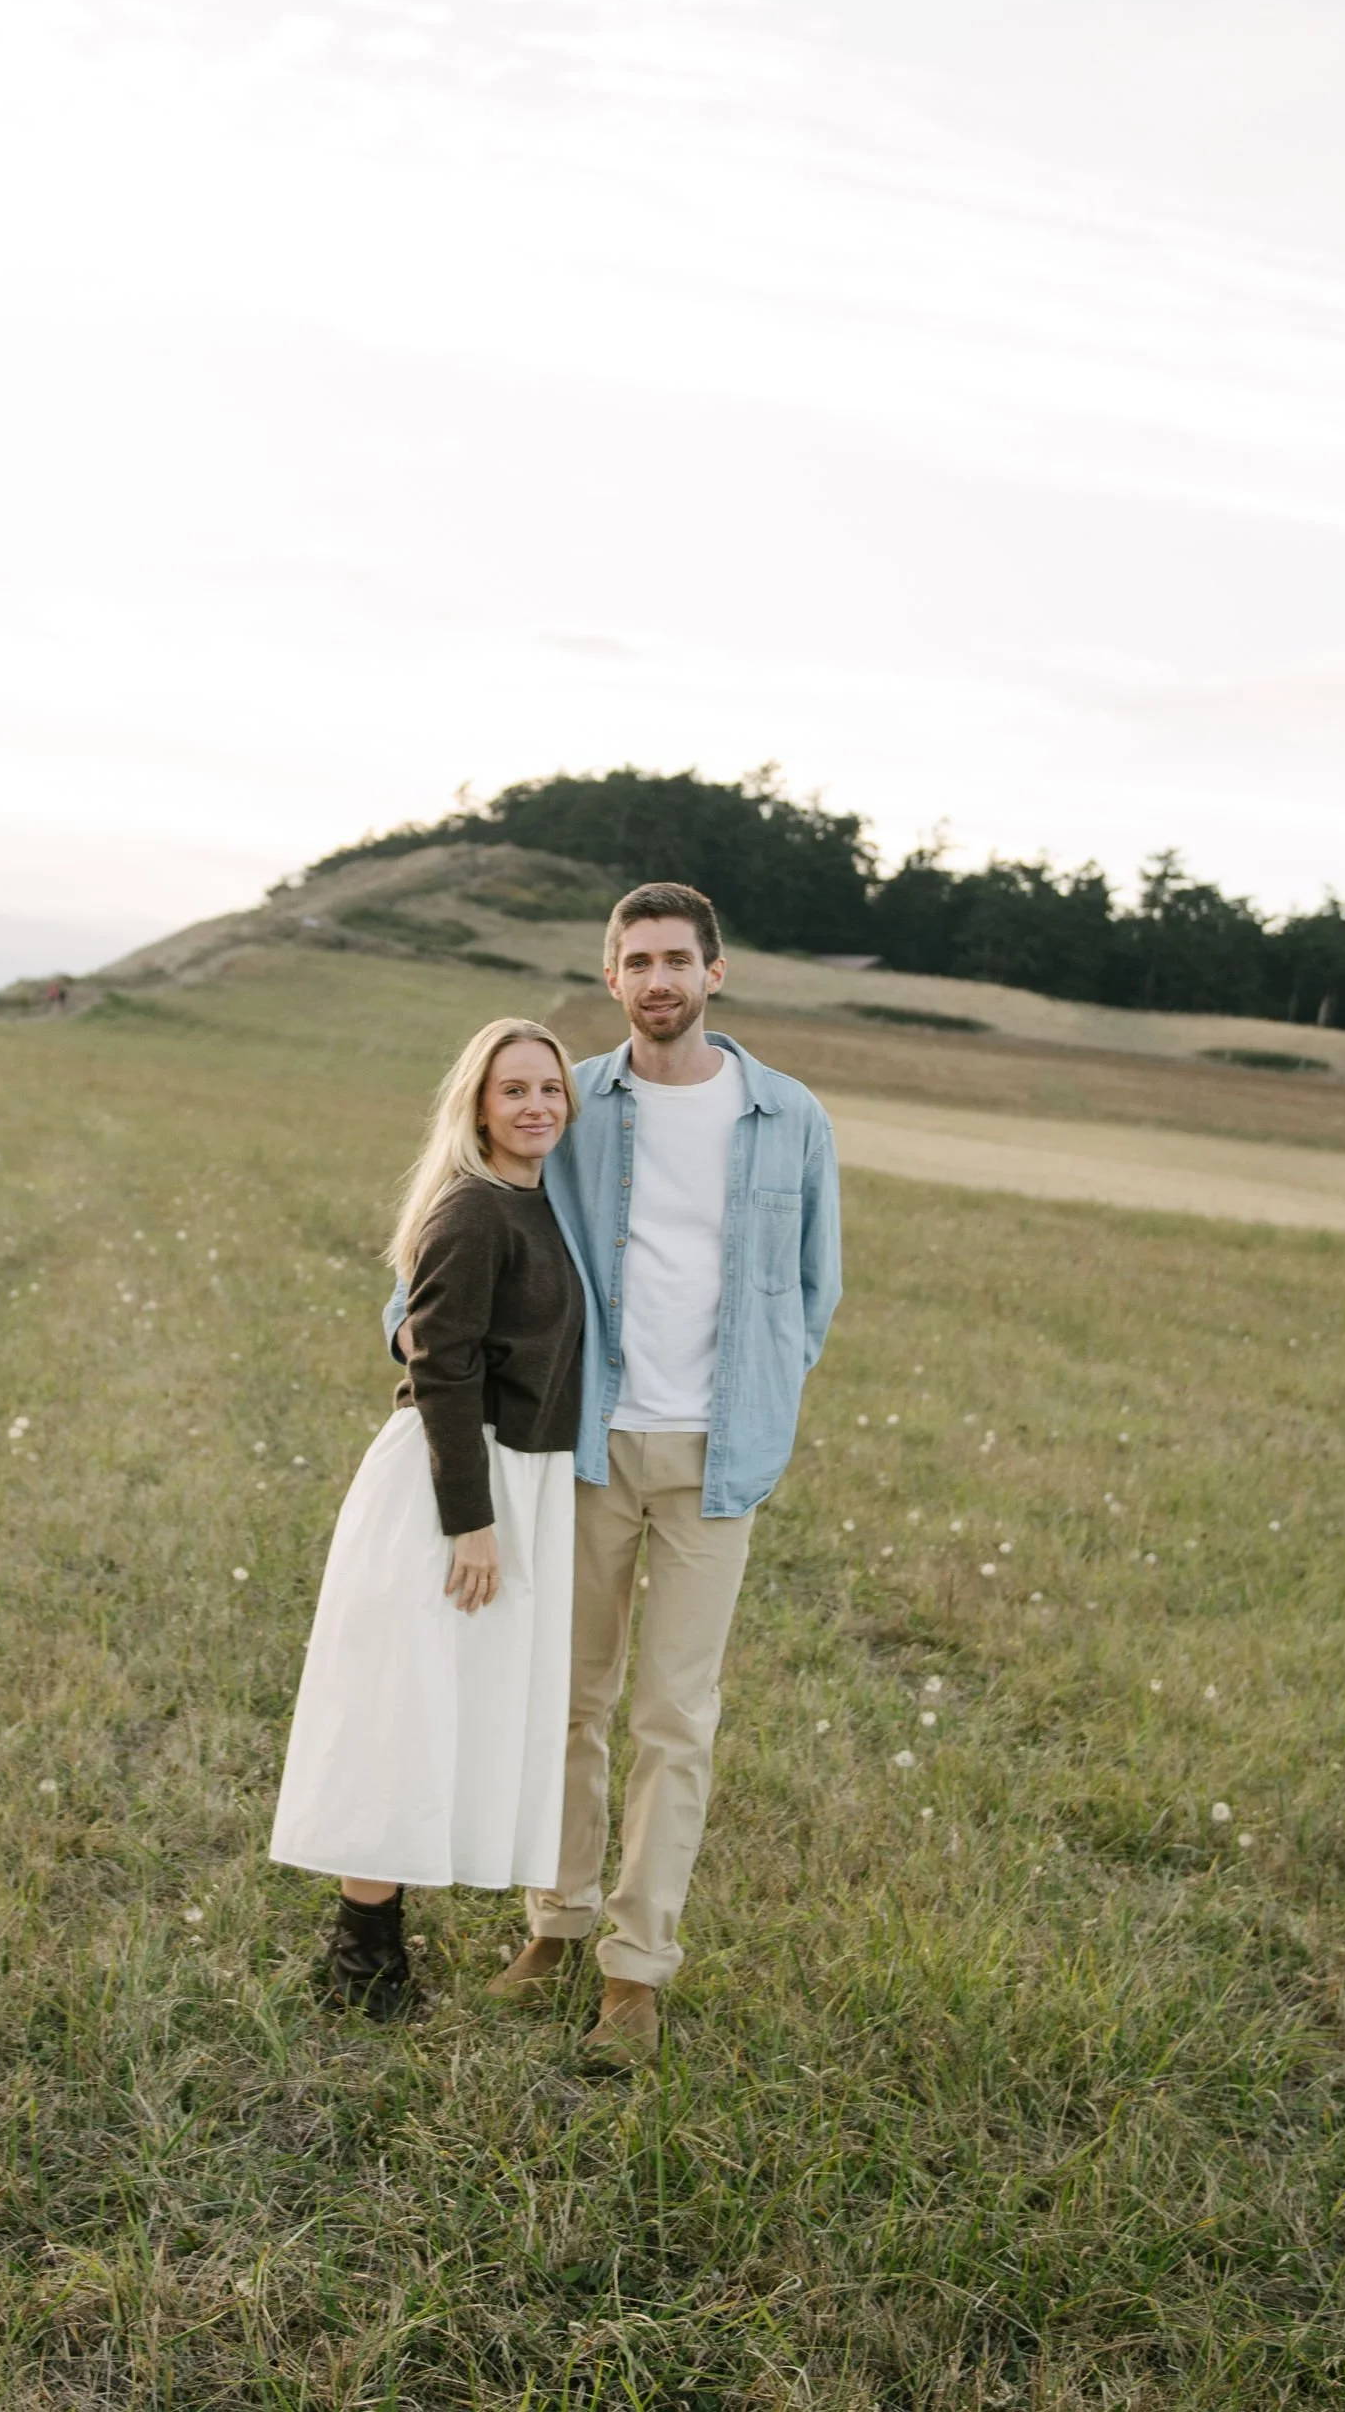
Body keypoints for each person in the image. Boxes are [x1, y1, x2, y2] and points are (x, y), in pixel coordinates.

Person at [481, 880, 840, 2069]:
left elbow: (812, 1286)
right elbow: (474, 1209)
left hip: (713, 1459)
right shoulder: (569, 1098)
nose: (658, 979)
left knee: (672, 1718)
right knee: (569, 1702)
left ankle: (633, 1971)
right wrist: (409, 1327)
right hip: (587, 1443)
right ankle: (555, 1919)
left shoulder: (788, 1115)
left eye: (677, 958)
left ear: (715, 972)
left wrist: (765, 1399)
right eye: (636, 959)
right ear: (608, 973)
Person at [270, 1018, 593, 2019]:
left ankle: (375, 1939)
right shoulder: (472, 1209)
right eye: (513, 1090)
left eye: (549, 1087)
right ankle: (360, 1958)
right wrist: (471, 1520)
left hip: (514, 1478)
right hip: (451, 1486)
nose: (536, 1104)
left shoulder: (541, 1205)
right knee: (402, 1709)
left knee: (449, 1705)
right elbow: (438, 1365)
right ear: (478, 1105)